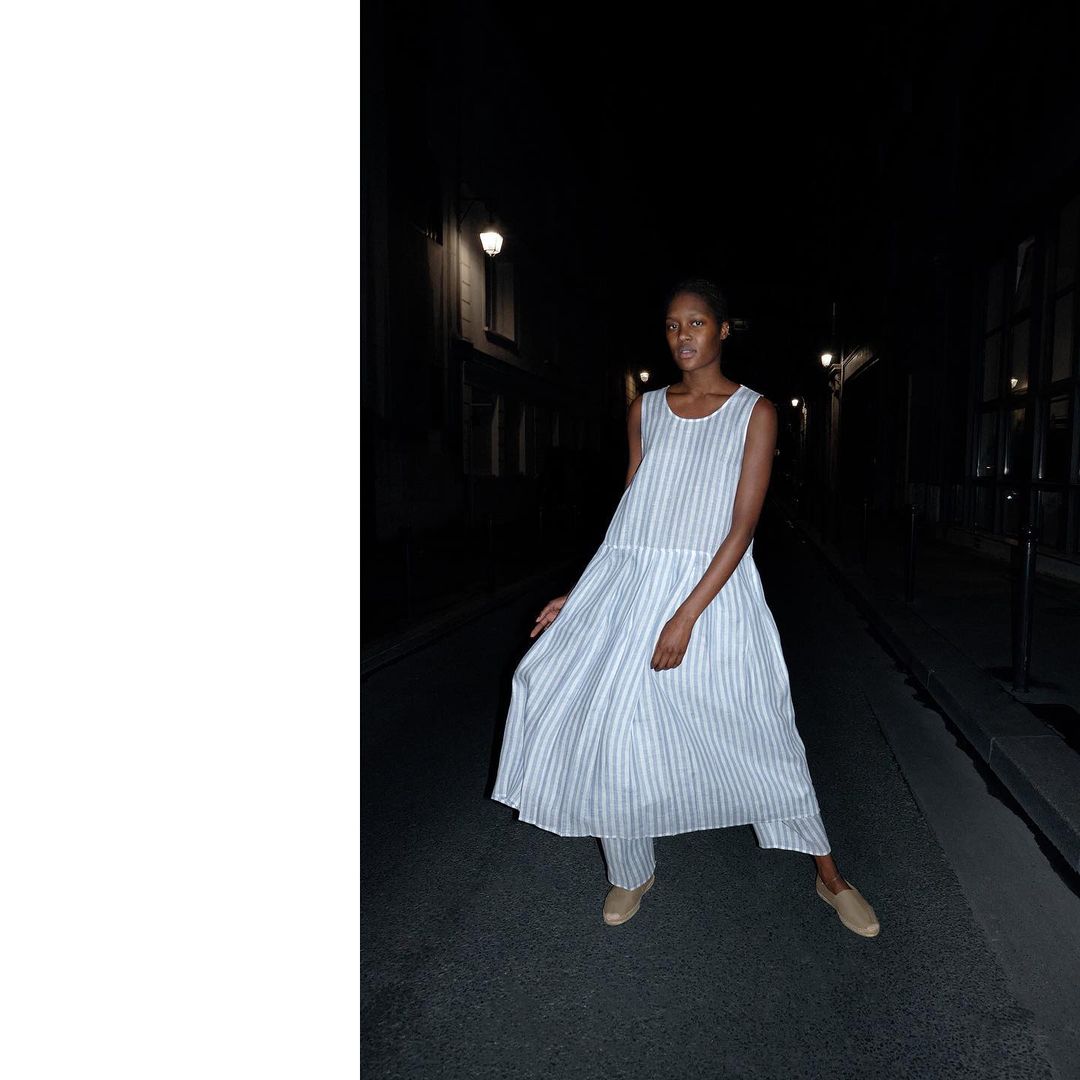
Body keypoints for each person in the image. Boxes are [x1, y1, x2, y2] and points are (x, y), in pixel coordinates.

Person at [490, 277, 880, 938]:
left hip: (714, 592)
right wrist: (580, 594)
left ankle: (829, 875)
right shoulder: (646, 408)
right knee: (614, 728)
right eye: (672, 326)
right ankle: (631, 869)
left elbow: (741, 529)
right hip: (631, 588)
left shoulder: (754, 411)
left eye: (696, 323)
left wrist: (685, 615)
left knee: (760, 729)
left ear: (723, 330)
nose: (682, 336)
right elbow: (630, 514)